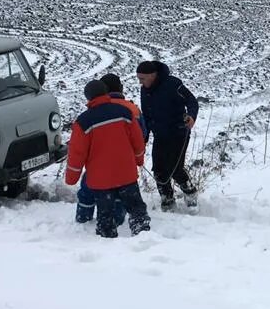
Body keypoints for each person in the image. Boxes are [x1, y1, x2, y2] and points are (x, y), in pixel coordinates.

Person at [66, 79, 150, 238]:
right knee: (136, 208)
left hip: (100, 180)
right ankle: (143, 235)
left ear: (88, 97)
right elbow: (138, 140)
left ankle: (107, 239)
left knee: (105, 215)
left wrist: (71, 178)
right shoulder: (124, 112)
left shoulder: (83, 122)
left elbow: (76, 153)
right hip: (126, 173)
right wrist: (139, 160)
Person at [136, 59, 199, 210]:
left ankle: (190, 193)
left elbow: (192, 101)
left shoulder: (173, 84)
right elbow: (147, 115)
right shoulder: (144, 90)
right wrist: (144, 137)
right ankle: (167, 200)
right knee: (159, 170)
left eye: (142, 78)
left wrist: (191, 116)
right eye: (139, 78)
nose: (140, 82)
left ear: (152, 75)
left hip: (179, 132)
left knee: (176, 169)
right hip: (160, 134)